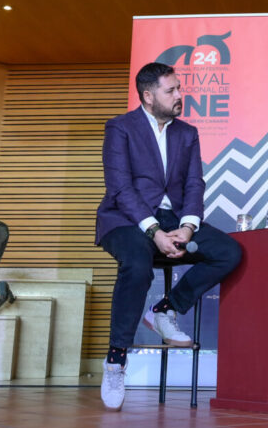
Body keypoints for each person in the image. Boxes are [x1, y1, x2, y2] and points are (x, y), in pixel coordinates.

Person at [95, 62, 242, 410]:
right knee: (137, 261)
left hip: (175, 216)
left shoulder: (186, 133)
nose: (180, 96)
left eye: (179, 88)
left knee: (228, 252)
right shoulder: (120, 128)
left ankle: (165, 308)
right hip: (125, 219)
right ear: (148, 96)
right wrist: (154, 231)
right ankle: (116, 359)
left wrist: (188, 226)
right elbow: (120, 187)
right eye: (171, 90)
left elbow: (194, 184)